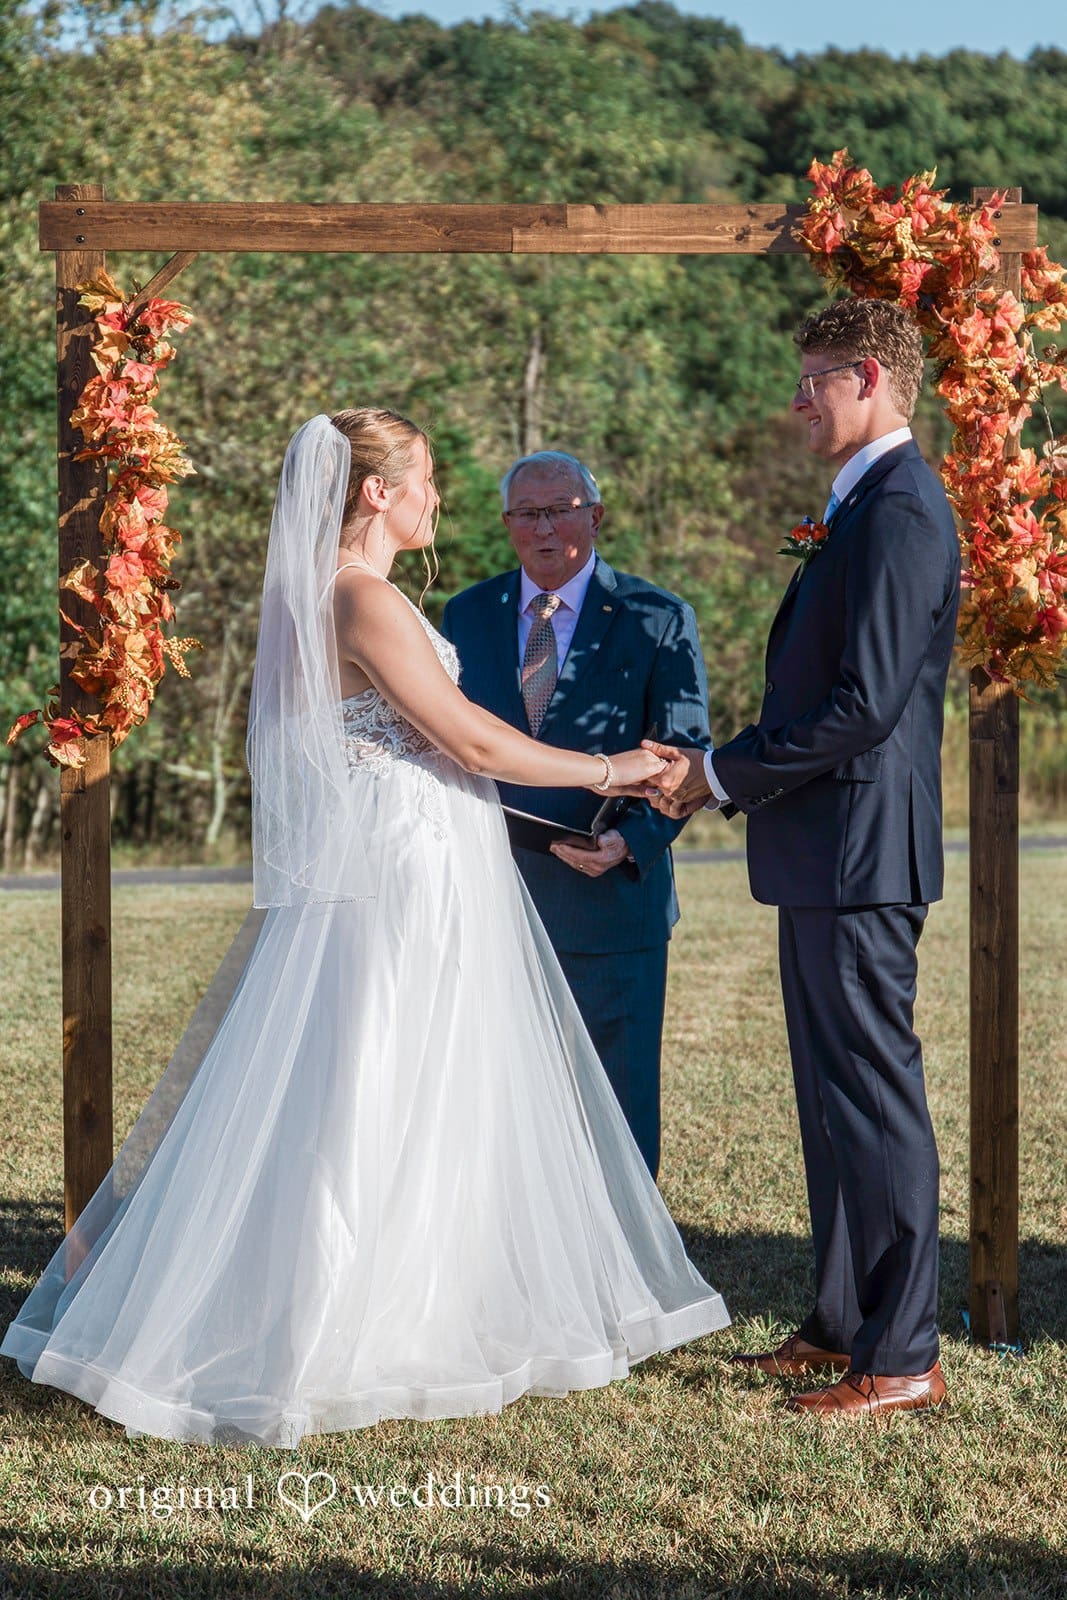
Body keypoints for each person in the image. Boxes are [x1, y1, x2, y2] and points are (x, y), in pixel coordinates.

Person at [1, 409, 729, 1448]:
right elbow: (473, 737)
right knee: (382, 1074)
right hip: (404, 873)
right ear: (376, 493)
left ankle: (421, 1287)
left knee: (398, 1074)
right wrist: (616, 769)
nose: (438, 497)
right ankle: (351, 1321)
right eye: (425, 478)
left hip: (407, 859)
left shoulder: (327, 593)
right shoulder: (358, 596)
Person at [641, 300, 959, 1418]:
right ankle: (838, 1322)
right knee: (829, 1101)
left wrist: (717, 774)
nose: (795, 400)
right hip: (825, 852)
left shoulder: (902, 509)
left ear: (868, 376)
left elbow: (863, 705)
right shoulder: (858, 504)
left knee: (874, 1099)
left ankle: (904, 1349)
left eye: (811, 378)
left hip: (863, 853)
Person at [441, 451, 709, 1179]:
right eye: (527, 513)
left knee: (615, 1107)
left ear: (596, 516)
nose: (544, 526)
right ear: (506, 525)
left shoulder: (656, 617)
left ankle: (625, 1263)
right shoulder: (464, 614)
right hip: (490, 897)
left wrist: (630, 840)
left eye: (560, 508)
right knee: (499, 1098)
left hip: (609, 898)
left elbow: (684, 753)